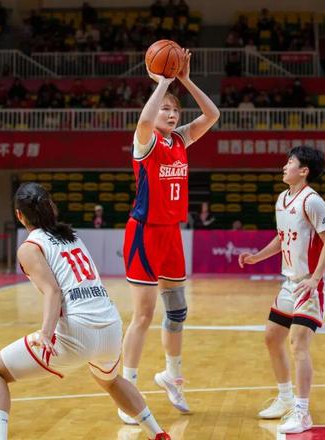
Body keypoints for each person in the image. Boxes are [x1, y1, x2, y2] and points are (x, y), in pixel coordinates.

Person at [0, 182, 170, 440]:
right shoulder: (72, 236)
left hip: (77, 330)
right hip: (110, 326)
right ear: (51, 207)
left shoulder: (29, 247)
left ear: (19, 215)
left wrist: (46, 333)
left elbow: (53, 291)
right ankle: (158, 434)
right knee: (111, 380)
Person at [119, 49, 220, 424]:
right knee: (143, 315)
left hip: (172, 234)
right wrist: (162, 82)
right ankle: (127, 391)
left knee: (177, 312)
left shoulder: (179, 140)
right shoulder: (145, 141)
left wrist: (186, 80)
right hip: (144, 233)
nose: (172, 114)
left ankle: (171, 377)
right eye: (166, 109)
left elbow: (212, 115)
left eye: (175, 110)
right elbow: (145, 119)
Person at [238, 146, 325, 434]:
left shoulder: (313, 202)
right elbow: (282, 238)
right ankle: (285, 398)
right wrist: (257, 257)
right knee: (272, 337)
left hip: (311, 284)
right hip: (290, 282)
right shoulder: (282, 199)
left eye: (290, 162)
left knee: (298, 343)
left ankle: (302, 413)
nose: (284, 166)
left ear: (303, 170)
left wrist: (315, 278)